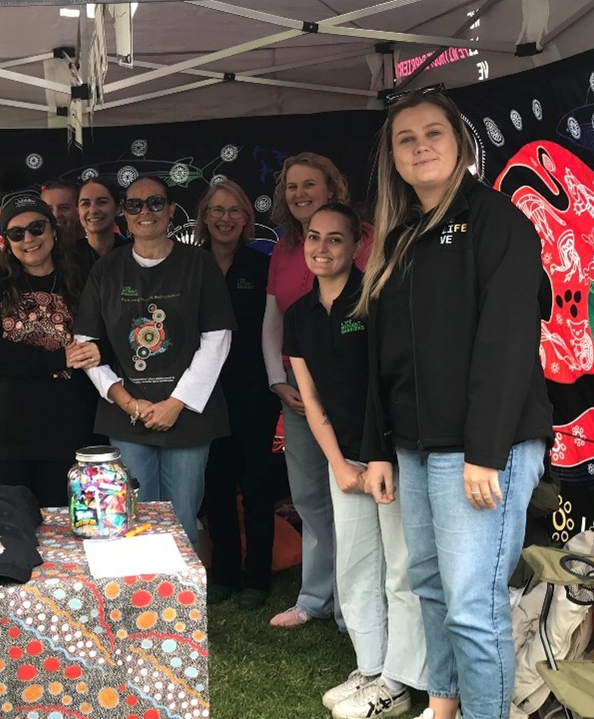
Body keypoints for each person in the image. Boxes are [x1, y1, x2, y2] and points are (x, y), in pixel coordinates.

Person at [360, 88, 552, 719]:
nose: (418, 147)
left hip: (480, 449)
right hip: (413, 446)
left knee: (473, 606)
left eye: (431, 133)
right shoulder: (403, 233)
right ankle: (442, 716)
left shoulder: (496, 223)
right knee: (434, 589)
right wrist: (375, 447)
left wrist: (486, 453)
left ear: (460, 141)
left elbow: (506, 344)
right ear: (393, 156)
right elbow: (385, 356)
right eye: (404, 139)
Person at [284, 203, 428, 719]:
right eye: (313, 238)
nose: (322, 248)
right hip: (342, 458)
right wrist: (341, 466)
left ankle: (401, 680)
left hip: (388, 454)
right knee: (355, 564)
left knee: (400, 567)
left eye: (335, 239)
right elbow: (311, 400)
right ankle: (371, 667)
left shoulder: (376, 299)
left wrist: (374, 457)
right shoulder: (298, 316)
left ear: (356, 245)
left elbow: (384, 388)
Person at [75, 177, 235, 550]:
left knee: (182, 513)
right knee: (134, 513)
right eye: (134, 205)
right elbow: (85, 345)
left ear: (171, 211)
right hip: (127, 415)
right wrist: (129, 403)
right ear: (123, 215)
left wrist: (175, 403)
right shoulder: (107, 270)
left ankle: (186, 605)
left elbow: (218, 338)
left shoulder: (199, 264)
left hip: (188, 414)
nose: (144, 211)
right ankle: (145, 602)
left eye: (154, 203)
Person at [261, 153, 372, 629]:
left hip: (348, 399)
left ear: (333, 189)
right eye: (291, 187)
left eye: (310, 185)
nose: (300, 194)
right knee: (309, 497)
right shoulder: (285, 250)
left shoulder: (363, 240)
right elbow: (273, 322)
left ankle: (355, 602)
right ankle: (315, 596)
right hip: (297, 391)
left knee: (357, 502)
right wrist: (277, 379)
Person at [0, 189, 100, 507]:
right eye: (17, 232)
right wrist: (57, 357)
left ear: (53, 229)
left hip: (68, 430)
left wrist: (97, 352)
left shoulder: (80, 278)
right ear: (7, 241)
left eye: (37, 227)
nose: (29, 238)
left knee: (65, 535)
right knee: (11, 531)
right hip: (6, 434)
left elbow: (102, 336)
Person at [195, 180, 280, 610]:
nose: (225, 218)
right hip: (204, 394)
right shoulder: (190, 265)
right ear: (205, 217)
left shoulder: (261, 265)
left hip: (253, 391)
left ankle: (258, 577)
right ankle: (225, 572)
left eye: (234, 210)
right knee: (217, 484)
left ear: (246, 218)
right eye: (217, 210)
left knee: (257, 481)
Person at [76, 177, 130, 262]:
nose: (93, 210)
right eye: (85, 204)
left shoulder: (134, 254)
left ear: (117, 209)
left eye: (101, 202)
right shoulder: (67, 258)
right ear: (78, 211)